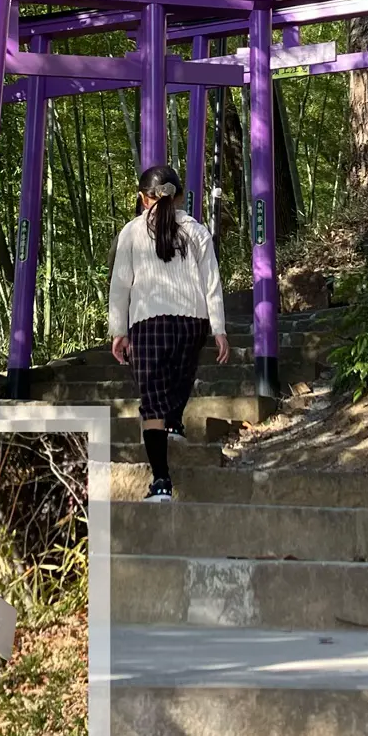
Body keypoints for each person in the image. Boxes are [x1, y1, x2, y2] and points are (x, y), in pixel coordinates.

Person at [108, 162, 229, 501]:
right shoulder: (198, 231)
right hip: (192, 322)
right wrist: (218, 329)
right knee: (177, 382)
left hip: (148, 323)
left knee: (152, 403)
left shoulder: (131, 231)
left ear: (143, 198)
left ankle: (161, 481)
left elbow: (121, 286)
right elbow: (212, 285)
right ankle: (174, 424)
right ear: (177, 197)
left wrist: (118, 331)